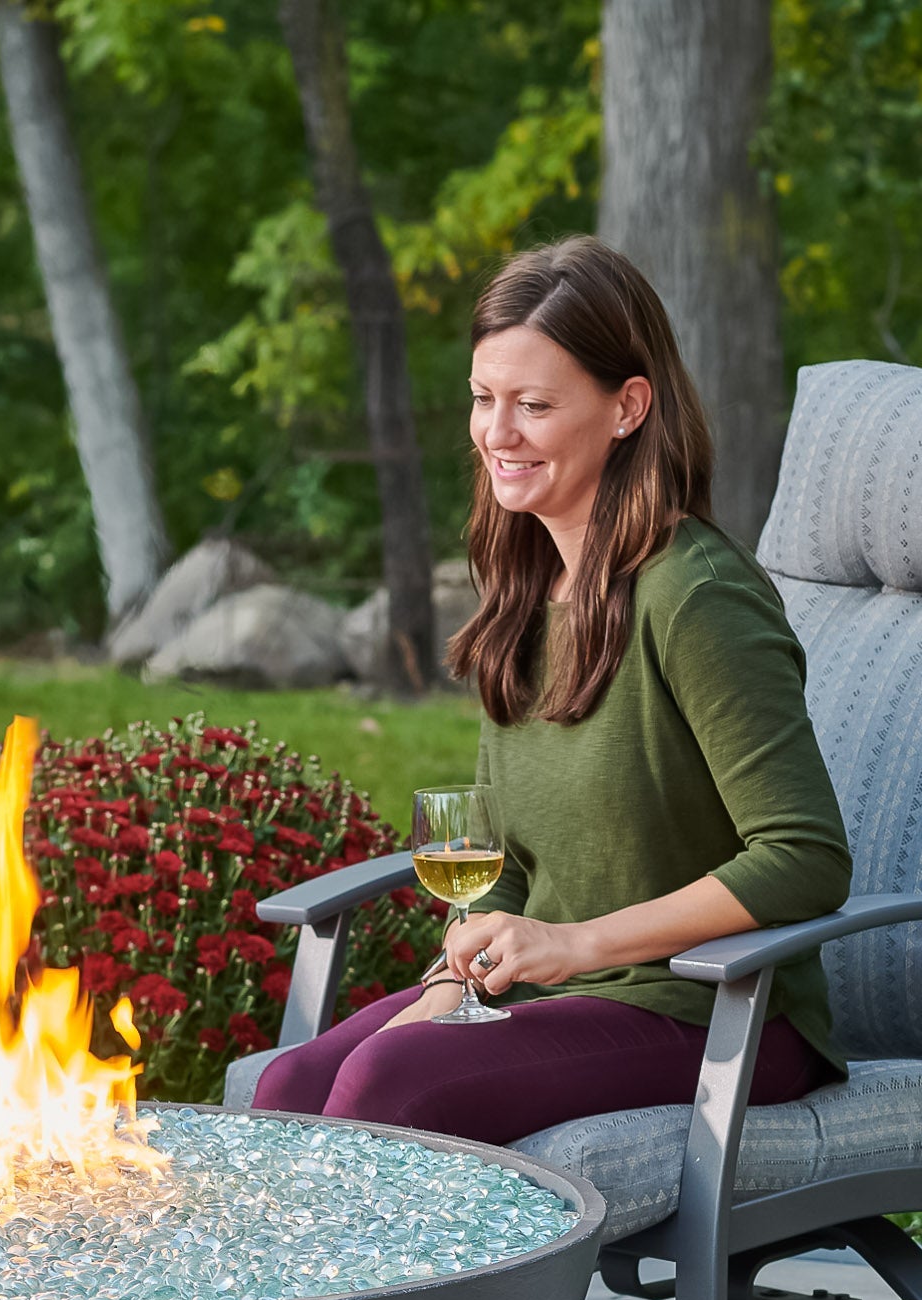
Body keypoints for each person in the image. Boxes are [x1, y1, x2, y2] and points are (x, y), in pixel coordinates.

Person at [255, 236, 851, 1144]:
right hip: (553, 995)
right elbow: (518, 869)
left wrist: (575, 945)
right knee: (293, 1085)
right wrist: (452, 985)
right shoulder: (528, 594)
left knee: (390, 1085)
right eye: (483, 399)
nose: (498, 434)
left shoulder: (698, 596)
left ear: (627, 409)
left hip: (716, 1015)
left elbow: (804, 856)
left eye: (534, 405)